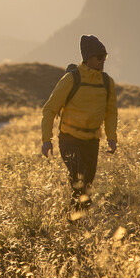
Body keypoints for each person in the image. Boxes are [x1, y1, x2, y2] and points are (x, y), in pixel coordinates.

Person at [41, 35, 118, 215]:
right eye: (99, 57)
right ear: (88, 58)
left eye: (105, 57)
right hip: (69, 139)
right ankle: (76, 221)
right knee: (80, 179)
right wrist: (46, 140)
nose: (103, 61)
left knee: (86, 184)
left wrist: (112, 138)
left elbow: (111, 113)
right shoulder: (72, 78)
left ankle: (77, 219)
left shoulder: (107, 82)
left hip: (91, 141)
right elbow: (50, 109)